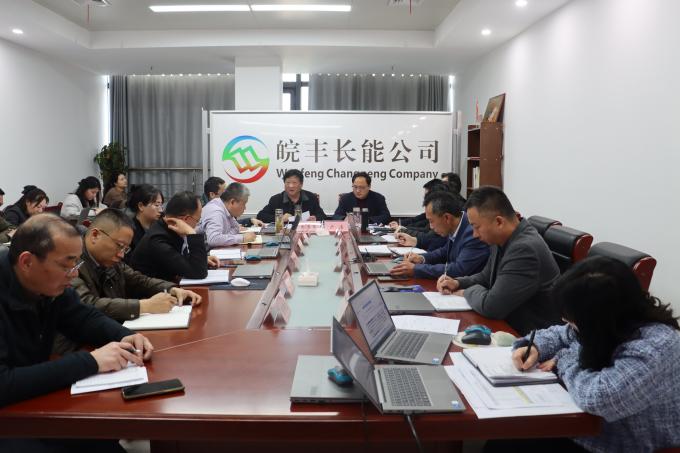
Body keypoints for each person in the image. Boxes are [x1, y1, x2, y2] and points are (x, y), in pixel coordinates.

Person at [485, 256, 680, 453]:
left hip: (621, 444)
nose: (566, 321)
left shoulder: (657, 346)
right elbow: (561, 334)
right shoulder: (611, 323)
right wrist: (534, 346)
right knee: (505, 436)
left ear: (600, 318)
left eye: (572, 319)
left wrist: (563, 359)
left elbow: (599, 398)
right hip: (586, 429)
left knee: (511, 442)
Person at [0, 214, 153, 452]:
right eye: (66, 265)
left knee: (102, 441)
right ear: (27, 262)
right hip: (9, 415)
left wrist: (124, 334)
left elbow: (83, 317)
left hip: (31, 401)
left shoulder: (48, 286)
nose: (73, 274)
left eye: (76, 264)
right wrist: (91, 362)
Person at [438, 186, 561, 335]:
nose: (475, 234)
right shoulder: (502, 239)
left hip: (529, 337)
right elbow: (485, 277)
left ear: (499, 222)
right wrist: (457, 283)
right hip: (508, 324)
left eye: (476, 227)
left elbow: (492, 307)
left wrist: (465, 292)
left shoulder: (524, 249)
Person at [69, 209, 202, 323]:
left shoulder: (111, 261)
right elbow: (87, 304)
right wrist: (144, 306)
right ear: (95, 235)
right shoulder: (71, 262)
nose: (121, 255)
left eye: (125, 249)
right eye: (119, 246)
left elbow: (139, 280)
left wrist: (172, 289)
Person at [390, 191, 489, 279]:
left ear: (447, 218)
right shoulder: (456, 224)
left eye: (431, 221)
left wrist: (416, 269)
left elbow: (459, 269)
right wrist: (421, 258)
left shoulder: (472, 233)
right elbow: (444, 252)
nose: (431, 227)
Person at [130, 191, 219, 283]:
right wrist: (192, 233)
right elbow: (199, 272)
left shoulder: (168, 228)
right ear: (185, 219)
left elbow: (182, 260)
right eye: (198, 220)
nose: (197, 225)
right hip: (151, 291)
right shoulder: (157, 240)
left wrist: (202, 259)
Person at [256, 169, 326, 223]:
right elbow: (261, 215)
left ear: (301, 184)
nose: (291, 186)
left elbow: (323, 216)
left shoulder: (311, 197)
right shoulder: (276, 199)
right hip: (283, 233)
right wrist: (280, 218)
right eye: (288, 182)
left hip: (304, 233)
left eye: (294, 183)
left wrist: (315, 218)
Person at [199, 182, 256, 248]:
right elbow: (213, 239)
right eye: (244, 204)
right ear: (232, 202)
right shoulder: (216, 211)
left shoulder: (226, 209)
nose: (245, 208)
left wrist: (224, 237)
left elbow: (236, 228)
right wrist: (242, 238)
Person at [127, 184, 164, 255]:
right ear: (141, 206)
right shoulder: (130, 231)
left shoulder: (161, 226)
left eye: (161, 205)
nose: (161, 210)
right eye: (156, 205)